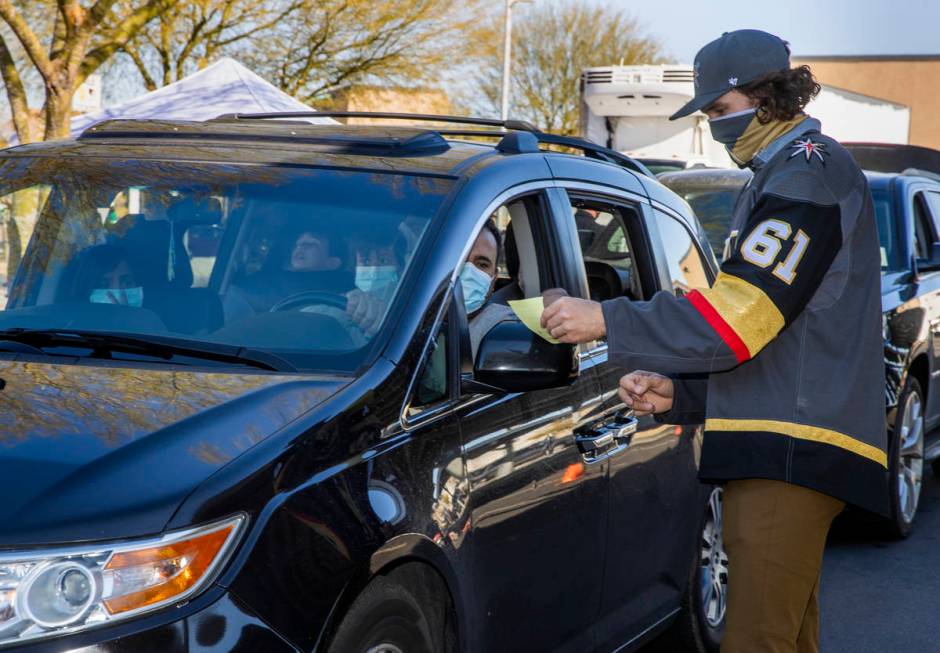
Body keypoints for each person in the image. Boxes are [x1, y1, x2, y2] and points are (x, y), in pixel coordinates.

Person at [539, 29, 886, 653]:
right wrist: (682, 394)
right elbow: (779, 337)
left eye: (720, 111)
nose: (715, 128)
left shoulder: (804, 174)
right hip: (787, 440)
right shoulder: (783, 171)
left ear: (767, 95)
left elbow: (736, 319)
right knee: (785, 639)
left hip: (789, 450)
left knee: (757, 642)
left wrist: (606, 320)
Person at [76, 244, 145, 307]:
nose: (118, 290)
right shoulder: (70, 320)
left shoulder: (150, 320)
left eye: (127, 282)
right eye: (104, 285)